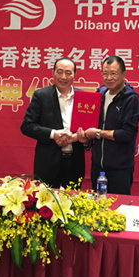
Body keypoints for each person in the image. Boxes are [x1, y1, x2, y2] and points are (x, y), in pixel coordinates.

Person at [77, 56, 139, 195]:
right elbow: (91, 127)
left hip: (120, 169)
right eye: (105, 73)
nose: (109, 78)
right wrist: (86, 140)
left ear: (123, 74)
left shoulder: (131, 98)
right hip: (97, 167)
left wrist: (98, 133)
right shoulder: (100, 94)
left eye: (113, 73)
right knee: (97, 205)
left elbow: (128, 134)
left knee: (119, 206)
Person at [20, 57, 85, 188]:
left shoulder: (83, 96)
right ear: (53, 73)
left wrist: (79, 137)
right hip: (47, 163)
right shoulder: (41, 95)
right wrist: (53, 134)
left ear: (74, 75)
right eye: (59, 72)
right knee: (45, 199)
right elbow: (27, 126)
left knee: (72, 199)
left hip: (74, 162)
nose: (63, 77)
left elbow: (88, 127)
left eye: (68, 73)